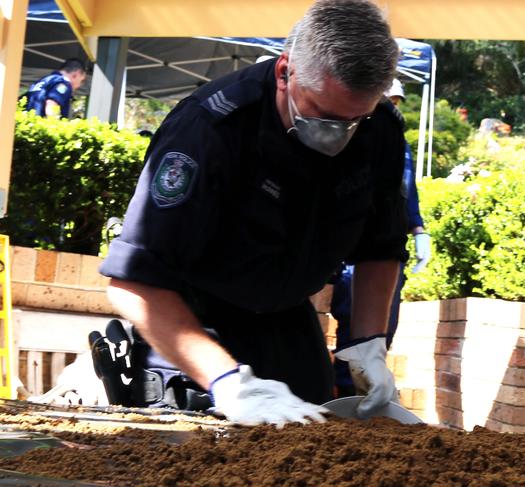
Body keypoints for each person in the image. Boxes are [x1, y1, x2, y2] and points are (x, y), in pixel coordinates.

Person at [99, 0, 408, 427]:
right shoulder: (209, 131)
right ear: (285, 72)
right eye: (324, 115)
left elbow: (381, 246)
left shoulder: (379, 131)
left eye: (355, 120)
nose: (339, 136)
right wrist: (228, 382)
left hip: (288, 323)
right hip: (194, 327)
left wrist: (367, 345)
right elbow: (133, 283)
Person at [330, 78, 431, 397]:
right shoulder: (342, 133)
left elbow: (401, 194)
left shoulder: (393, 138)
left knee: (379, 329)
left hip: (380, 241)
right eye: (389, 98)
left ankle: (362, 387)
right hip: (345, 246)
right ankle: (347, 392)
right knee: (349, 317)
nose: (393, 105)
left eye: (397, 101)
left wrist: (417, 229)